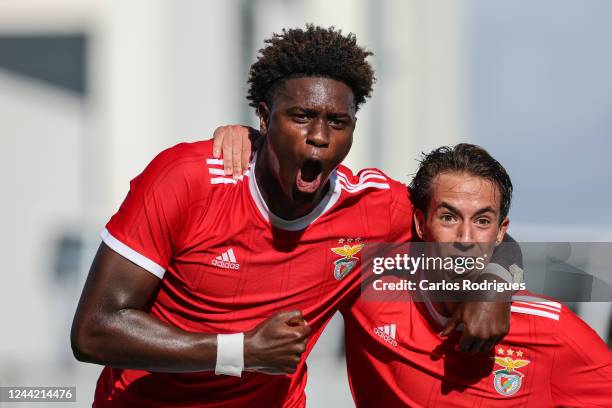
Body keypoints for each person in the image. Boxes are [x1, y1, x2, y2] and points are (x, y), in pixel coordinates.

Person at [71, 26, 515, 407]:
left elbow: (472, 230)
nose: (319, 136)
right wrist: (241, 351)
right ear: (264, 118)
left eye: (337, 122)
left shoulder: (375, 208)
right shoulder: (186, 180)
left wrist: (494, 284)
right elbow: (93, 331)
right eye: (301, 117)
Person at [341, 144, 612, 407]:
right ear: (421, 224)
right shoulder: (369, 296)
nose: (466, 238)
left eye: (482, 221)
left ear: (500, 232)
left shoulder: (553, 331)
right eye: (449, 217)